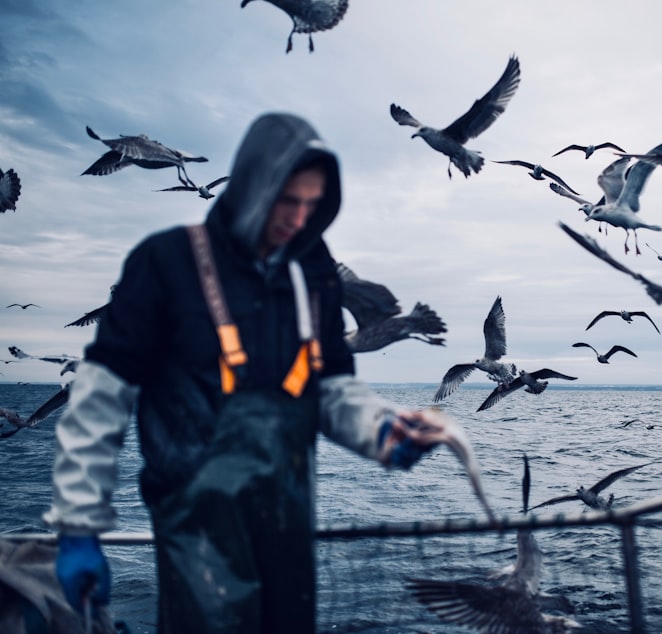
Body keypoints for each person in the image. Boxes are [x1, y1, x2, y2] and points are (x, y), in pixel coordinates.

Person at [43, 112, 453, 633]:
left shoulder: (314, 272)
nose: (299, 217)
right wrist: (79, 524)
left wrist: (379, 429)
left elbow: (332, 386)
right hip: (195, 529)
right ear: (255, 183)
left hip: (287, 518)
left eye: (312, 204)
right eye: (288, 200)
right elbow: (99, 401)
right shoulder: (164, 263)